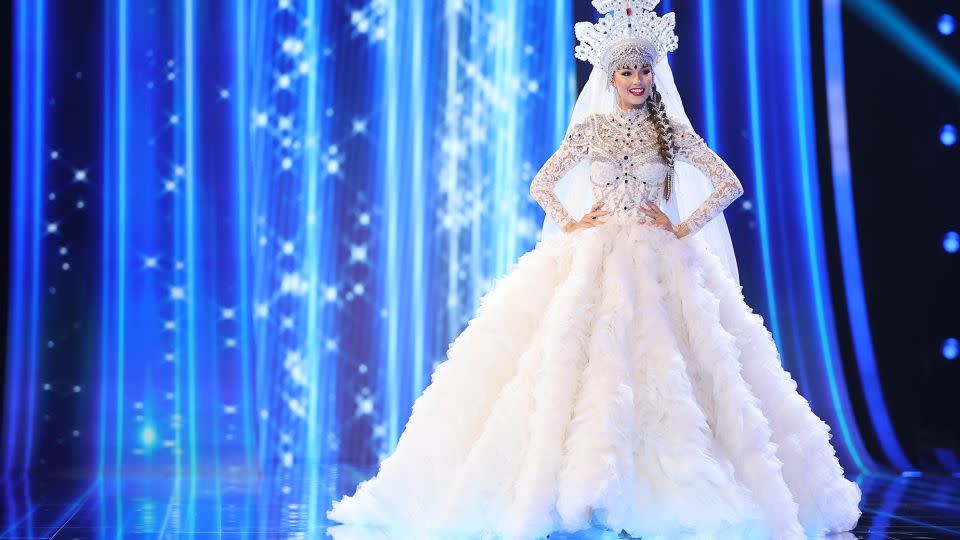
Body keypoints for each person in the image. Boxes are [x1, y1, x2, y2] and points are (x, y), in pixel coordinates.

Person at [327, 1, 862, 538]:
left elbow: (728, 184)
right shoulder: (592, 131)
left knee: (678, 367)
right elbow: (542, 184)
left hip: (659, 261)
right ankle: (572, 488)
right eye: (627, 71)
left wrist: (680, 226)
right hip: (594, 254)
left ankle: (660, 491)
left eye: (644, 69)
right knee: (571, 361)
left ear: (655, 73)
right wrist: (575, 221)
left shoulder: (671, 133)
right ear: (609, 76)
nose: (637, 79)